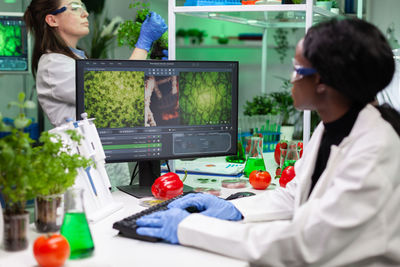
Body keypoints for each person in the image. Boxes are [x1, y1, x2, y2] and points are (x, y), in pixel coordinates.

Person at [136, 18, 400, 266]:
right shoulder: (332, 127)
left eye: (297, 70)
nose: (291, 80)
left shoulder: (376, 149)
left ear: (321, 81)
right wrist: (233, 208)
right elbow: (295, 195)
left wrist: (188, 228)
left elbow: (302, 244)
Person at [23, 0, 167, 127]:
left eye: (82, 6)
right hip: (80, 155)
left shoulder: (76, 58)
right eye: (74, 7)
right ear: (52, 20)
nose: (85, 13)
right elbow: (117, 92)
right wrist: (143, 44)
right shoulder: (53, 65)